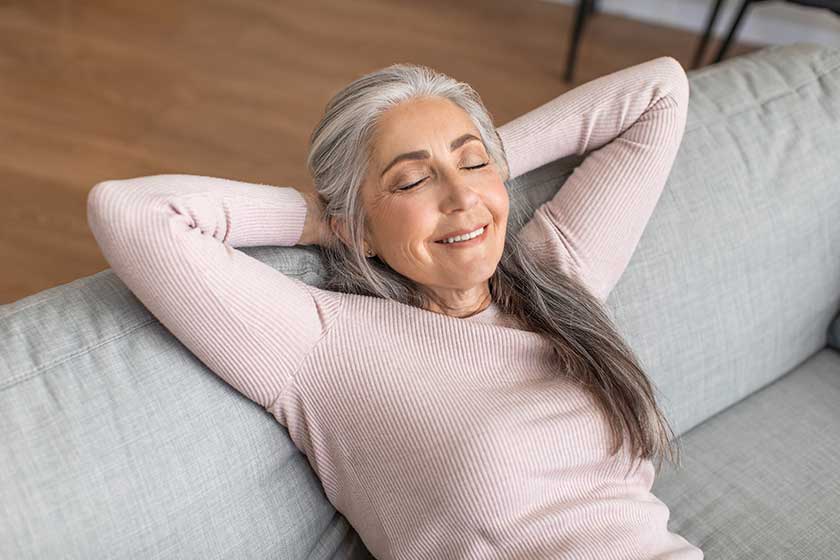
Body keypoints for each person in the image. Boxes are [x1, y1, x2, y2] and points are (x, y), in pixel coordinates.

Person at [87, 55, 701, 559]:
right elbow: (134, 212)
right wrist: (334, 222)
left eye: (473, 163)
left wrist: (480, 166)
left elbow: (659, 92)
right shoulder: (322, 343)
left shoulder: (556, 276)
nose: (460, 197)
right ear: (357, 223)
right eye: (411, 182)